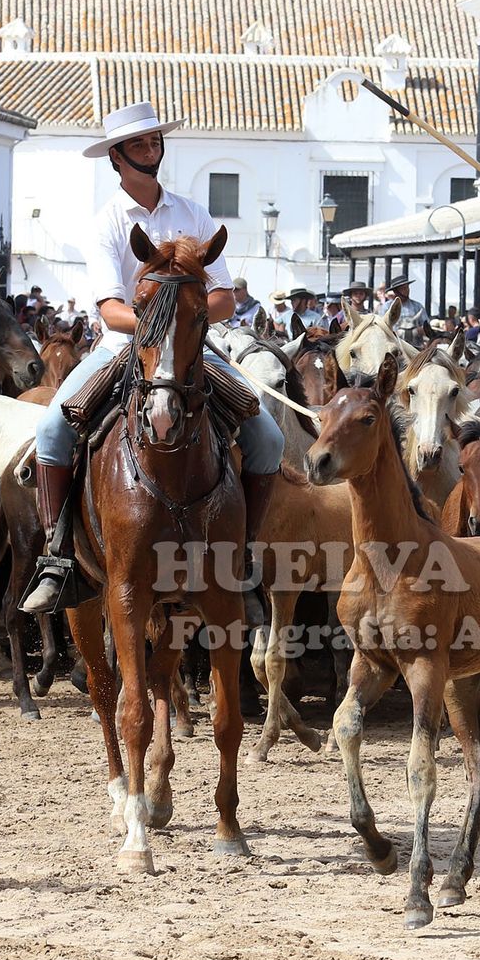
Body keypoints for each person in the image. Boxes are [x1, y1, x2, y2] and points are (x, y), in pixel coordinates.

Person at [20, 100, 286, 619]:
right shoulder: (105, 223)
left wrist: (183, 322)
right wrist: (159, 322)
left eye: (155, 141)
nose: (151, 149)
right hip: (121, 348)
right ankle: (57, 558)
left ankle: (243, 556)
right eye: (139, 144)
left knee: (268, 437)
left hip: (192, 348)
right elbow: (108, 308)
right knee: (53, 430)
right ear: (116, 157)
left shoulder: (193, 212)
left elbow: (226, 297)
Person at [384, 274, 426, 344]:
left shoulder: (418, 306)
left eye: (407, 288)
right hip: (394, 345)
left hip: (415, 346)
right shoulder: (387, 307)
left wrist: (420, 330)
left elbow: (426, 325)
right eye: (403, 288)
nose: (406, 290)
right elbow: (382, 326)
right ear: (395, 291)